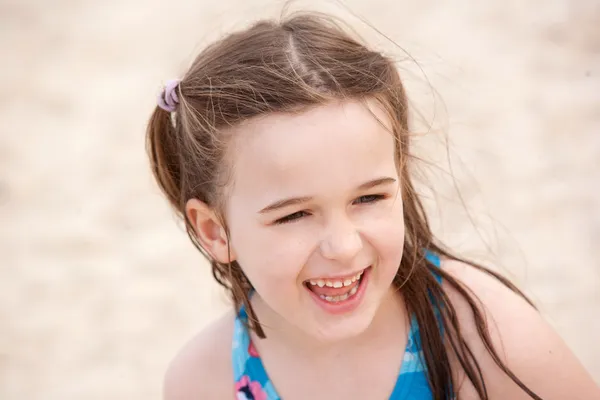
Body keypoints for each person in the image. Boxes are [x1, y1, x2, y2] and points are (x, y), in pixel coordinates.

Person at [146, 12, 600, 400]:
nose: (343, 247)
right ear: (214, 230)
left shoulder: (486, 337)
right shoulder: (203, 380)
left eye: (368, 198)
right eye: (294, 214)